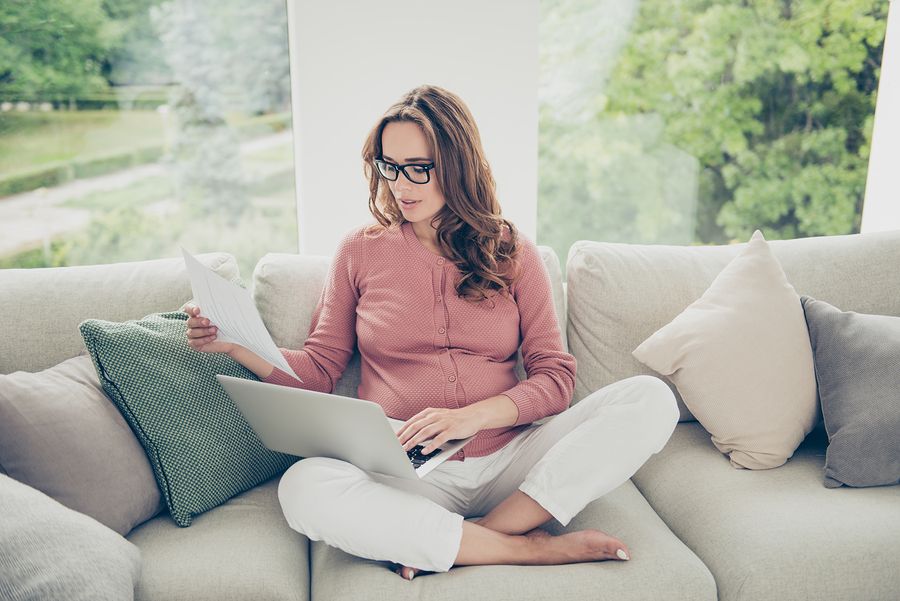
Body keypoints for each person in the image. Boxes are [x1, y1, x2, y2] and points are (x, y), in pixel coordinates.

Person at [184, 84, 679, 581]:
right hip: (409, 471)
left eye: (420, 167)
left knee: (650, 398)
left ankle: (481, 534)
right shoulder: (359, 251)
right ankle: (525, 550)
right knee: (303, 487)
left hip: (513, 459)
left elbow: (555, 378)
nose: (402, 184)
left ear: (458, 163)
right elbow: (318, 371)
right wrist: (235, 342)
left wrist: (472, 417)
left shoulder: (512, 251)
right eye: (390, 166)